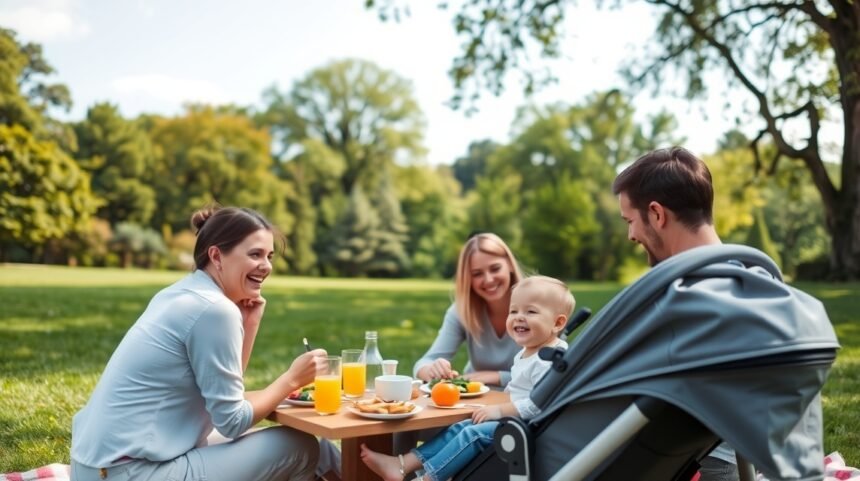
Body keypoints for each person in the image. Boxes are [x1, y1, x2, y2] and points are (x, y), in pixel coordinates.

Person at [70, 206, 328, 481]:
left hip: (92, 468)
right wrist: (291, 379)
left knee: (301, 445)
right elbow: (233, 422)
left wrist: (250, 323)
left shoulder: (179, 293)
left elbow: (226, 396)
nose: (266, 266)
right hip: (129, 472)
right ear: (216, 256)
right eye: (255, 254)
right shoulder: (214, 309)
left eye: (269, 256)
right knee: (300, 446)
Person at [361, 275, 575, 481]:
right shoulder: (528, 351)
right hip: (513, 420)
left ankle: (428, 478)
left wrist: (499, 410)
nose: (519, 317)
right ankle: (402, 464)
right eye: (513, 310)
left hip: (528, 428)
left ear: (557, 323)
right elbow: (520, 387)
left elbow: (539, 404)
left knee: (471, 435)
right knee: (460, 427)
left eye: (531, 311)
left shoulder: (548, 359)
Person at [612, 146, 739, 481]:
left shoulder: (682, 296)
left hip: (685, 462)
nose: (631, 235)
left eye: (630, 221)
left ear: (656, 214)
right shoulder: (753, 278)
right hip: (735, 453)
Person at [413, 232, 524, 387]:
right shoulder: (462, 311)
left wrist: (496, 377)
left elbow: (551, 374)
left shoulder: (538, 305)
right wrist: (432, 369)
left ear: (510, 264)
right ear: (468, 278)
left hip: (525, 404)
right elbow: (423, 363)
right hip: (477, 404)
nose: (488, 279)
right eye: (477, 274)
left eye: (495, 268)